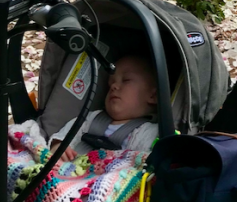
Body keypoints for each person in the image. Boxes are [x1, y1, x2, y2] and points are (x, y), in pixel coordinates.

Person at [11, 55, 159, 161]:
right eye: (110, 84)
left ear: (153, 96)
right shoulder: (92, 117)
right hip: (70, 173)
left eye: (126, 80)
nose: (114, 86)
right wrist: (59, 146)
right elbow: (65, 134)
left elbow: (141, 163)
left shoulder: (150, 132)